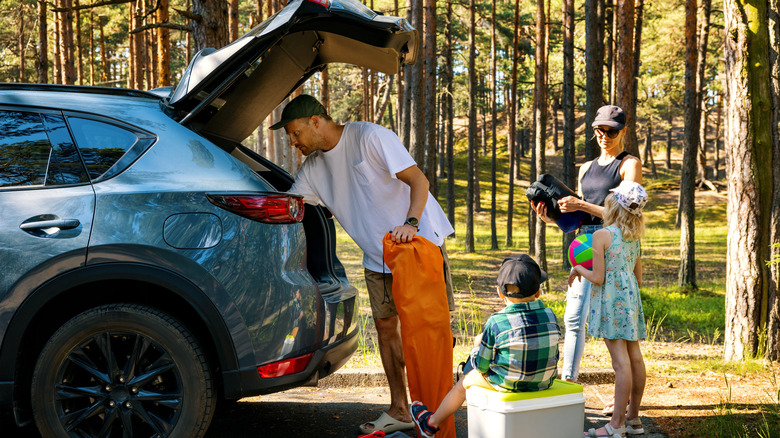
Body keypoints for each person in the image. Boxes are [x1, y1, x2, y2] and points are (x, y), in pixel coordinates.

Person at [271, 94, 455, 434]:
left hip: (418, 245)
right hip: (378, 258)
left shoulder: (370, 137)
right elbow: (291, 206)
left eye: (295, 133)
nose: (292, 142)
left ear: (316, 121)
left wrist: (410, 224)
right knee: (387, 332)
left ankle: (439, 412)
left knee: (429, 334)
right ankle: (400, 408)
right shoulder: (313, 169)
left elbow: (419, 181)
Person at [532, 105, 642, 395]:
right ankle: (568, 382)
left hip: (614, 242)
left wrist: (580, 204)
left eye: (612, 131)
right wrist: (552, 217)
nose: (605, 136)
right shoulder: (585, 168)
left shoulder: (628, 164)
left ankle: (625, 405)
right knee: (574, 317)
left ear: (623, 131)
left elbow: (628, 214)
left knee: (616, 328)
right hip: (583, 242)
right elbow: (578, 219)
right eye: (600, 131)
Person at [409, 254, 561, 437]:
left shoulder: (496, 322)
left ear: (499, 292)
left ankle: (430, 423)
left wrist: (476, 347)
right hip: (544, 382)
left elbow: (481, 366)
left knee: (466, 380)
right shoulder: (551, 315)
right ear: (537, 293)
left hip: (508, 384)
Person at [569, 181, 648, 438]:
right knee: (635, 358)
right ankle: (633, 419)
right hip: (630, 301)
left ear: (613, 205)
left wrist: (577, 268)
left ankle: (616, 426)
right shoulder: (634, 238)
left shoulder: (602, 235)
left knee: (620, 363)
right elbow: (637, 277)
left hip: (611, 303)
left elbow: (599, 277)